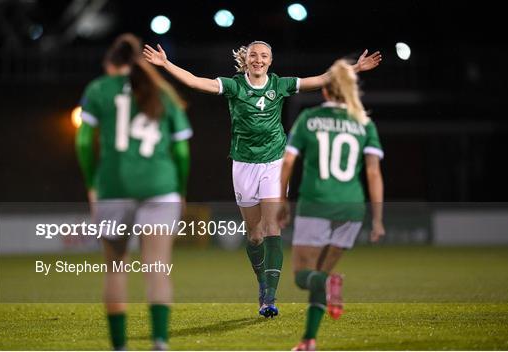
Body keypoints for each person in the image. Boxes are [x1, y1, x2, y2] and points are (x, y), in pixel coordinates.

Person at [143, 41, 381, 318]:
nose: (258, 60)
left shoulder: (280, 84)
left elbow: (321, 80)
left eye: (264, 56)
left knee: (272, 228)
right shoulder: (234, 86)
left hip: (274, 162)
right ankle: (262, 281)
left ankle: (269, 296)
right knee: (254, 235)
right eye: (254, 55)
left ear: (271, 61)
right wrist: (166, 64)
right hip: (243, 164)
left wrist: (356, 68)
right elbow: (198, 83)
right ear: (246, 61)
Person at [76, 33, 192, 351]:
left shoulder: (99, 89)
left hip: (114, 189)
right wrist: (180, 190)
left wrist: (92, 184)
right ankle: (159, 343)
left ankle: (119, 347)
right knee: (157, 269)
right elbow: (181, 151)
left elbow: (85, 142)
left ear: (110, 64)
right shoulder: (162, 91)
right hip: (160, 188)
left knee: (115, 270)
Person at [277, 59, 386, 351]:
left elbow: (288, 162)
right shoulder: (364, 123)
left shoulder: (309, 119)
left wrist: (281, 202)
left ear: (325, 91)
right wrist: (377, 219)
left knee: (303, 277)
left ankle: (325, 286)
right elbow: (373, 172)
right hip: (352, 208)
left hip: (317, 204)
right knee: (320, 275)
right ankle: (308, 340)